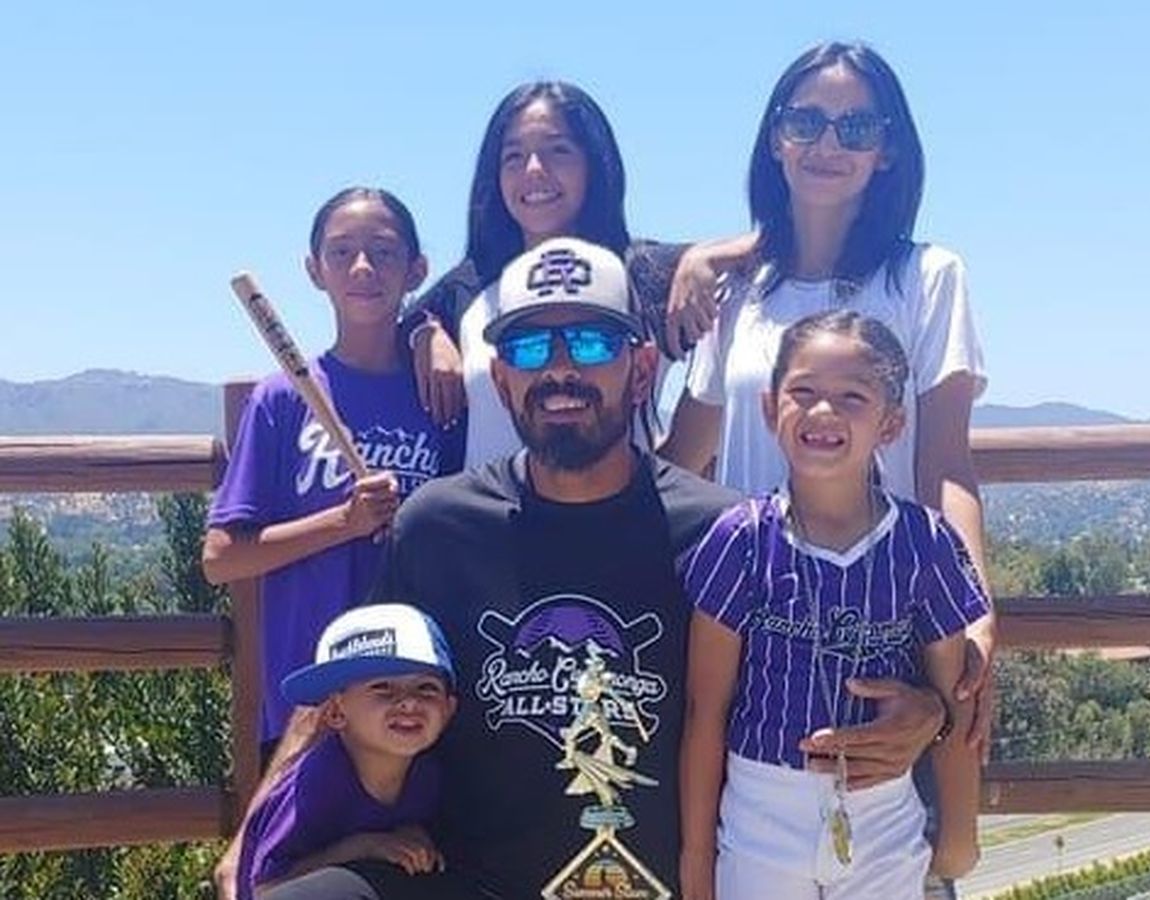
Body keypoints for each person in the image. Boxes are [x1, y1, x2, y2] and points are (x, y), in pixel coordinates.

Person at [370, 237, 948, 897]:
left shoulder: (727, 536)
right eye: (529, 349)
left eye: (591, 344)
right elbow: (361, 695)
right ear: (501, 380)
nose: (560, 371)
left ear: (643, 370)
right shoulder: (437, 528)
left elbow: (829, 673)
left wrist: (932, 713)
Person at [659, 49, 996, 894]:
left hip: (889, 624)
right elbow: (680, 463)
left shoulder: (926, 278)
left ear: (889, 148)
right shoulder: (739, 293)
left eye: (856, 126)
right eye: (805, 121)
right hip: (750, 629)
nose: (828, 143)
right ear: (775, 138)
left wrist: (978, 622)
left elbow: (946, 463)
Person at [203, 187, 466, 897]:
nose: (362, 268)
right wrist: (341, 523)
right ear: (314, 269)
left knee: (409, 871)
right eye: (342, 252)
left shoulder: (440, 397)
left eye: (383, 252)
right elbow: (223, 558)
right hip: (313, 700)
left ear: (416, 269)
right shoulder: (281, 400)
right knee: (276, 878)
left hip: (410, 698)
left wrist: (429, 330)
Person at [679, 311, 988, 899]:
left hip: (884, 818)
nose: (823, 411)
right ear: (770, 408)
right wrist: (697, 859)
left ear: (891, 423)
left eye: (852, 397)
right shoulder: (740, 540)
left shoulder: (925, 542)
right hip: (759, 813)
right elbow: (705, 711)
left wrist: (959, 833)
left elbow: (956, 698)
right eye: (803, 391)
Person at [407, 79, 747, 456]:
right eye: (513, 156)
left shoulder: (649, 276)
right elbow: (389, 321)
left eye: (558, 151)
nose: (534, 169)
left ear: (594, 164)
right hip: (487, 496)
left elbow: (779, 246)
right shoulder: (469, 288)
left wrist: (703, 258)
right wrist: (426, 332)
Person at [237, 603, 467, 899]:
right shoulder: (314, 785)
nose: (409, 702)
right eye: (383, 687)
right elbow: (267, 890)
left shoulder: (429, 775)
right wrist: (364, 847)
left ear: (448, 710)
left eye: (426, 688)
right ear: (335, 712)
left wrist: (412, 833)